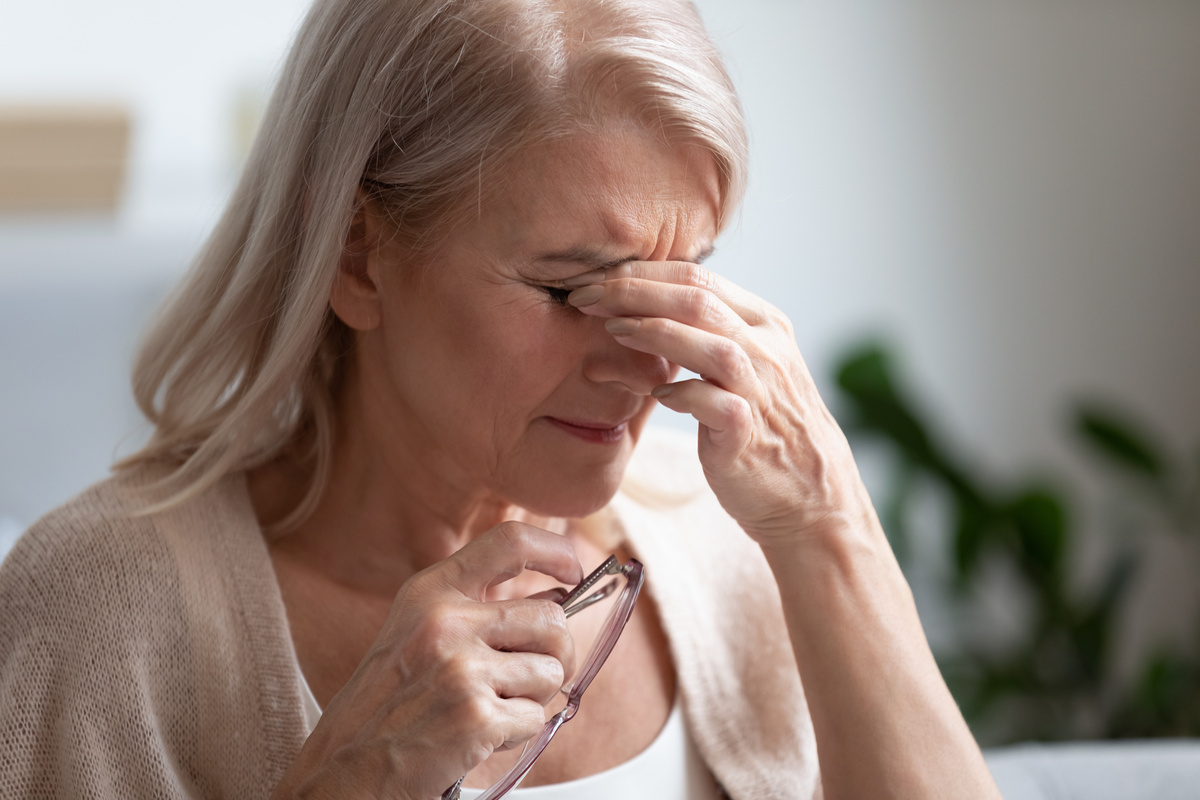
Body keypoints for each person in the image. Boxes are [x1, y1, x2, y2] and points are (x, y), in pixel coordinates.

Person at [0, 0, 1003, 797]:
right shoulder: (96, 615)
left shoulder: (734, 549)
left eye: (679, 283)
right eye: (574, 289)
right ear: (357, 254)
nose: (645, 361)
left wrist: (830, 528)